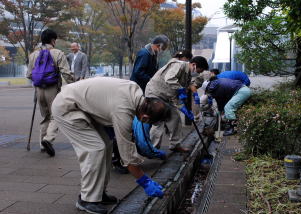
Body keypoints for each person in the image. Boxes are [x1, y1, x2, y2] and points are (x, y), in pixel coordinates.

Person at [51, 77, 170, 214]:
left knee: (106, 145)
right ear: (145, 118)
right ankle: (86, 199)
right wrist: (145, 181)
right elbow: (127, 157)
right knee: (94, 149)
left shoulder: (135, 90)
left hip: (80, 105)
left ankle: (98, 193)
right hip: (67, 108)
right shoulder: (123, 111)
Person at [145, 56, 209, 152]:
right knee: (159, 121)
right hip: (155, 93)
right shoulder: (179, 65)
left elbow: (175, 96)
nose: (198, 73)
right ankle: (152, 149)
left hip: (167, 96)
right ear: (194, 65)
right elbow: (169, 79)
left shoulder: (187, 75)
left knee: (175, 118)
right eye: (199, 71)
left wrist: (184, 109)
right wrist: (180, 89)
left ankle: (175, 145)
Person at [26, 29, 74, 157]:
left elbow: (29, 74)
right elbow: (66, 73)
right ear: (53, 40)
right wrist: (74, 84)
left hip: (38, 90)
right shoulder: (58, 53)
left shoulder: (33, 55)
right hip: (52, 89)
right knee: (56, 116)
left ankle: (42, 144)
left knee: (45, 116)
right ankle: (48, 139)